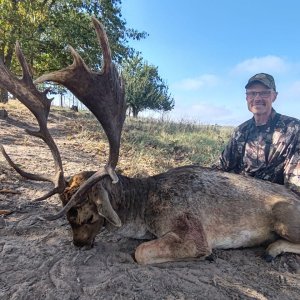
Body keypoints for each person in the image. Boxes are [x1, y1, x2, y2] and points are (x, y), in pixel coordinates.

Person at [216, 73, 300, 194]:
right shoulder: (240, 131)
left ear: (274, 96)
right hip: (240, 197)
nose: (257, 98)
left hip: (276, 203)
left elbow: (295, 185)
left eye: (264, 93)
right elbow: (221, 166)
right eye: (252, 93)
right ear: (246, 98)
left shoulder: (293, 129)